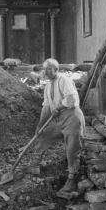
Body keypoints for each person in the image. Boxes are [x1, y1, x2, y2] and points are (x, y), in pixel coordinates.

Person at [34, 58, 85, 194]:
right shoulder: (48, 86)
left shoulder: (64, 80)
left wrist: (60, 106)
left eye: (49, 69)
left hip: (72, 117)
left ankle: (72, 178)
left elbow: (71, 99)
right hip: (58, 119)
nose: (46, 72)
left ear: (56, 70)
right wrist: (40, 126)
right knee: (43, 135)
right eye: (44, 69)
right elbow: (46, 108)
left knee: (72, 147)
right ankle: (34, 166)